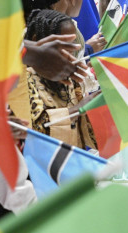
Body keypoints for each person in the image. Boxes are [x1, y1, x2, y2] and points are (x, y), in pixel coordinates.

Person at [25, 9, 97, 149]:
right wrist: (78, 109)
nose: (70, 53)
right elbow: (37, 129)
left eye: (72, 45)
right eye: (64, 46)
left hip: (71, 165)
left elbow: (89, 136)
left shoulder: (69, 80)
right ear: (36, 42)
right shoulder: (25, 78)